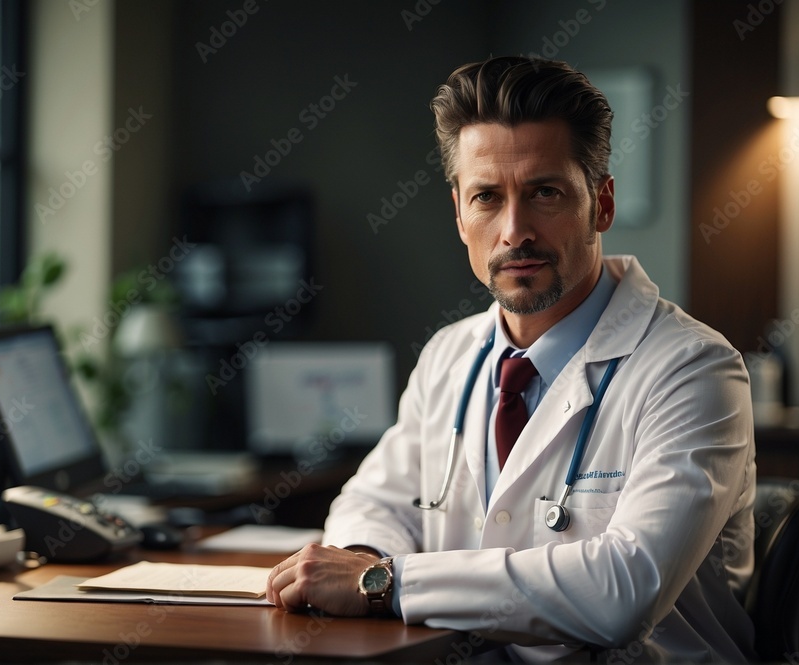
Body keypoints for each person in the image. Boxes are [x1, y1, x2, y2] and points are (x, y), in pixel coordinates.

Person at [266, 56, 756, 662]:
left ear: (601, 204)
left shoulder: (695, 371)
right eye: (487, 197)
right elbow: (374, 502)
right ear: (459, 214)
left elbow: (624, 589)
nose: (514, 230)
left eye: (545, 193)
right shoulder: (451, 355)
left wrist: (383, 586)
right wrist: (364, 557)